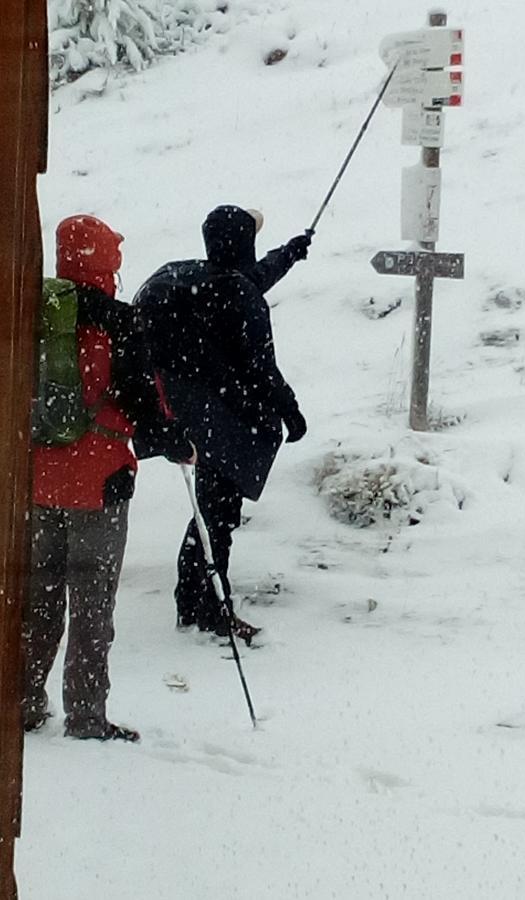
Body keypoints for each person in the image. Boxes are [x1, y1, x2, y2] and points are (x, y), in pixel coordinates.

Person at [23, 214, 194, 742]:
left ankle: (24, 705)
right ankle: (86, 716)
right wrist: (176, 441)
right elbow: (145, 405)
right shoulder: (120, 322)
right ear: (104, 258)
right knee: (93, 605)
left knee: (38, 599)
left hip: (38, 479)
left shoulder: (33, 310)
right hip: (99, 484)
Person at [134, 206, 310, 642]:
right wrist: (291, 413)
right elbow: (262, 371)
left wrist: (289, 253)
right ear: (242, 246)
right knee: (218, 515)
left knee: (211, 512)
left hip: (188, 413)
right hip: (226, 417)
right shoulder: (237, 295)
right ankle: (211, 610)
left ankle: (192, 601)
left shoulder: (191, 277)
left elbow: (246, 279)